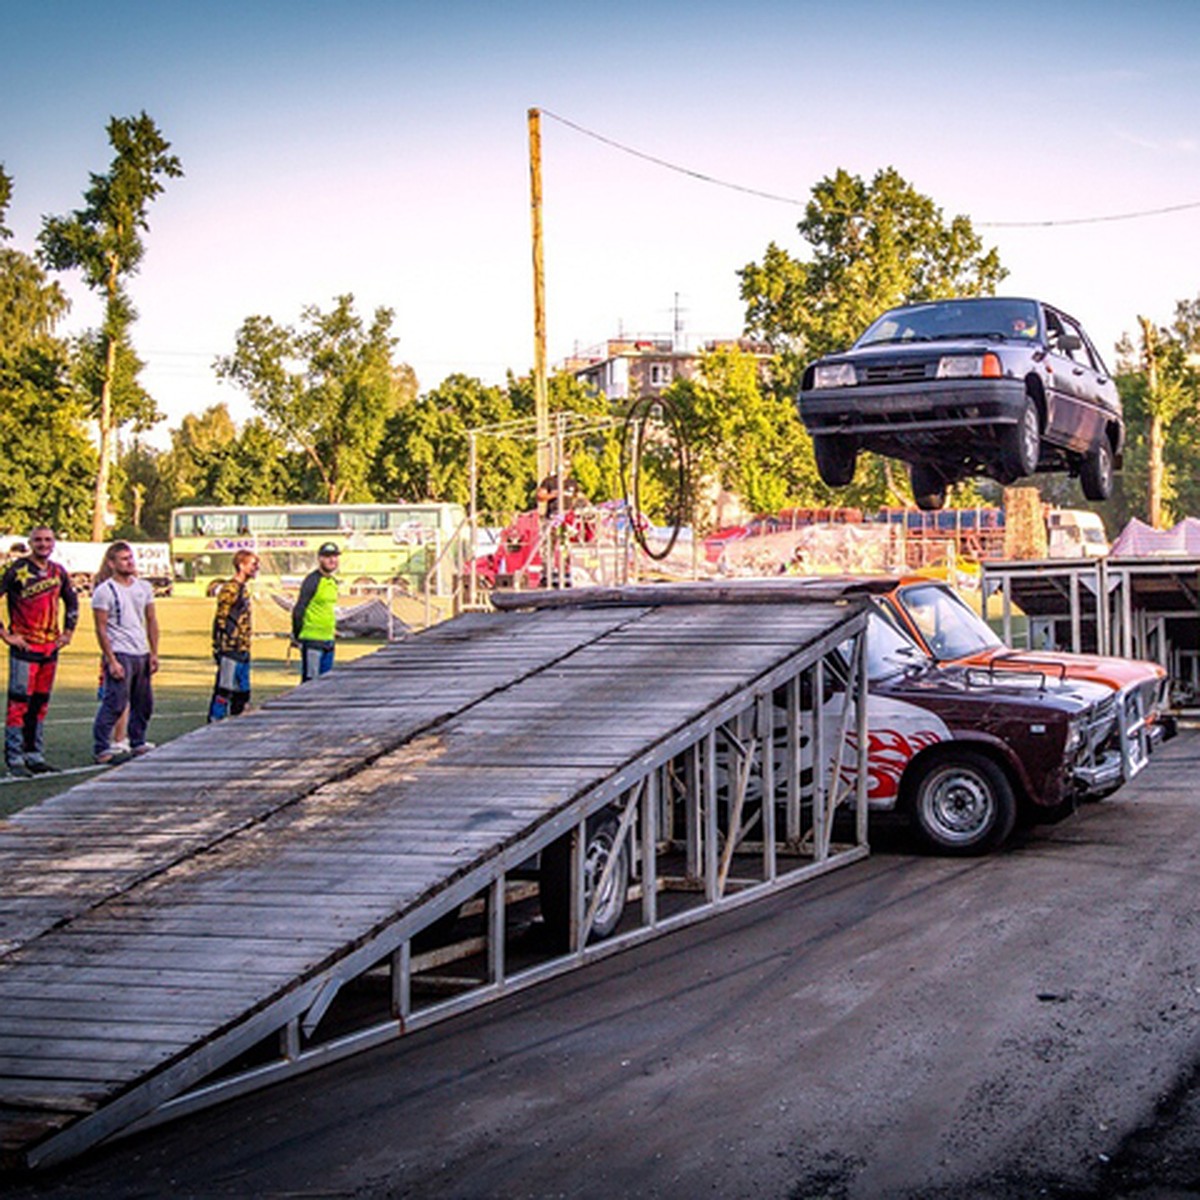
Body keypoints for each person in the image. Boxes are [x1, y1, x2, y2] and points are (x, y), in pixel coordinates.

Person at [0, 526, 79, 776]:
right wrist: (6, 635)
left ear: (54, 543)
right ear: (30, 543)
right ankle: (15, 758)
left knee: (40, 704)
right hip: (25, 648)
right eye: (38, 540)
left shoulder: (59, 571)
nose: (43, 544)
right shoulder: (16, 570)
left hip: (49, 649)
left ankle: (34, 755)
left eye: (48, 540)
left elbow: (72, 601)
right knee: (18, 704)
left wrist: (68, 632)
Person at [92, 541, 159, 765]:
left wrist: (154, 653)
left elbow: (151, 620)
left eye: (130, 558)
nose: (129, 562)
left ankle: (137, 740)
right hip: (120, 651)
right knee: (116, 702)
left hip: (140, 651)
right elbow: (101, 628)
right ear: (111, 563)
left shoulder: (144, 587)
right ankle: (102, 746)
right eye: (123, 559)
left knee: (144, 702)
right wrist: (111, 659)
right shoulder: (104, 591)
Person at [209, 549, 259, 720]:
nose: (256, 568)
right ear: (241, 565)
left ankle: (236, 719)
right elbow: (221, 618)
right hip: (230, 647)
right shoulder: (230, 589)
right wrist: (219, 645)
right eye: (253, 564)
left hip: (243, 646)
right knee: (225, 688)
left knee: (243, 690)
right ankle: (216, 720)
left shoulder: (243, 589)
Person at [292, 542, 340, 682]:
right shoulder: (312, 580)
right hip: (312, 639)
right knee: (311, 681)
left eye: (335, 556)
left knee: (326, 683)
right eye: (327, 557)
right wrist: (297, 634)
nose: (332, 560)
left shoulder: (332, 582)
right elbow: (299, 609)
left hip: (328, 640)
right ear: (320, 559)